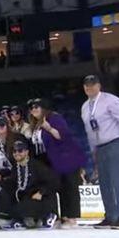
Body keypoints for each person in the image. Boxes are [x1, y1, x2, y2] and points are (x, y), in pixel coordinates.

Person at [81, 75, 119, 230]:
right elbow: (89, 130)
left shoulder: (111, 100)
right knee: (104, 183)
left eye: (92, 84)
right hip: (99, 147)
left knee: (118, 180)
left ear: (99, 86)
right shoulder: (85, 107)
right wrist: (93, 151)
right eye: (86, 85)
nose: (89, 87)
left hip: (115, 143)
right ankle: (110, 216)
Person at [29, 98, 86, 229]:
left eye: (37, 107)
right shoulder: (35, 124)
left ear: (44, 108)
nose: (34, 110)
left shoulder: (54, 118)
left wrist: (49, 128)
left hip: (66, 157)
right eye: (32, 108)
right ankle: (60, 216)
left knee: (69, 186)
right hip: (50, 160)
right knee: (57, 186)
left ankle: (71, 217)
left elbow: (63, 136)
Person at [0, 141, 59, 229]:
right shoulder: (16, 167)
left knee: (24, 206)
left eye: (20, 151)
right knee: (9, 202)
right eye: (14, 151)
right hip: (27, 198)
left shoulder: (37, 165)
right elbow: (13, 185)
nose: (17, 153)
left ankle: (49, 215)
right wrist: (0, 180)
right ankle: (25, 219)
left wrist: (41, 192)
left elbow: (53, 181)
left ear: (27, 152)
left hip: (41, 197)